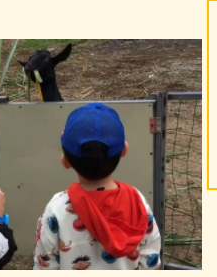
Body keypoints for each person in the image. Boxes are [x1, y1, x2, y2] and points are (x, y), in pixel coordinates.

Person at [33, 103, 161, 270]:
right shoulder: (137, 202)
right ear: (124, 150)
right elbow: (150, 261)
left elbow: (44, 266)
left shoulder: (56, 209)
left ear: (65, 161)